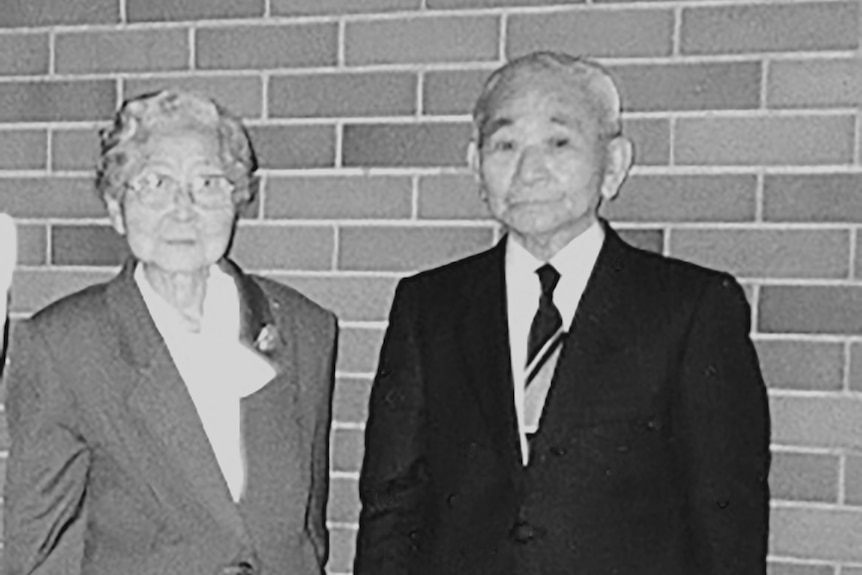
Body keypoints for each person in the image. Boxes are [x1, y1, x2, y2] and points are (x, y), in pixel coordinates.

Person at [354, 51, 770, 575]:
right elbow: (392, 503)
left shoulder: (691, 308)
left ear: (613, 164)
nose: (529, 170)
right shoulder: (429, 307)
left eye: (559, 142)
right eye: (505, 145)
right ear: (474, 166)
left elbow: (725, 517)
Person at [3, 90, 338, 575]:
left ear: (237, 198)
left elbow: (306, 537)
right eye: (155, 182)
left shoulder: (304, 329)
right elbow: (39, 553)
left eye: (207, 182)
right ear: (117, 208)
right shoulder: (65, 346)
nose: (183, 208)